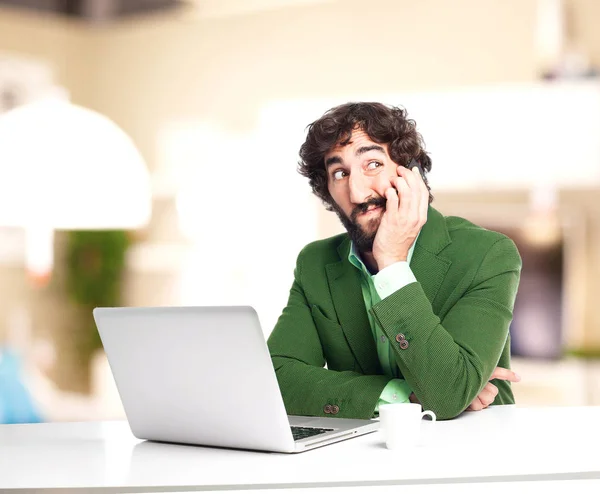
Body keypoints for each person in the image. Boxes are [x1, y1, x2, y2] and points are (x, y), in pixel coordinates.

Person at [267, 102, 522, 420]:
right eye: (340, 173)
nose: (358, 192)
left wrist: (392, 263)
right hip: (361, 455)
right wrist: (404, 395)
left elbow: (447, 393)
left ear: (411, 174)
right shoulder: (315, 264)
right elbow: (273, 381)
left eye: (372, 164)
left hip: (468, 449)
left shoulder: (487, 253)